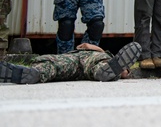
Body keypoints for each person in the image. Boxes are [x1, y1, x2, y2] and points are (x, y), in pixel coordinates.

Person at [0, 42, 142, 84]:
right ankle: (32, 73)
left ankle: (106, 72)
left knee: (102, 66)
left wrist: (94, 47)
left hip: (91, 59)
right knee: (54, 64)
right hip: (76, 60)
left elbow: (123, 70)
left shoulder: (103, 54)